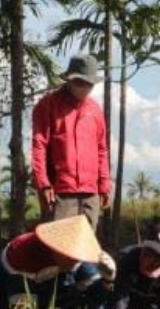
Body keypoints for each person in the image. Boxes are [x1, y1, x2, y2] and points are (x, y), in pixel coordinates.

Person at [0, 214, 116, 309]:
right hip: (17, 301)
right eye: (70, 255)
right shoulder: (21, 254)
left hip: (57, 303)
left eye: (77, 256)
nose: (75, 261)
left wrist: (107, 280)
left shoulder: (80, 258)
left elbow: (93, 300)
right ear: (55, 247)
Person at [31, 53, 111, 230]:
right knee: (58, 247)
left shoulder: (95, 109)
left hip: (90, 192)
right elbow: (39, 146)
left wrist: (104, 185)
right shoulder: (48, 105)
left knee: (86, 245)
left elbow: (101, 149)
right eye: (80, 83)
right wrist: (43, 184)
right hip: (60, 192)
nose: (85, 88)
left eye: (89, 84)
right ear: (70, 80)